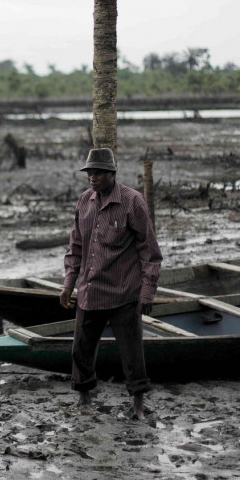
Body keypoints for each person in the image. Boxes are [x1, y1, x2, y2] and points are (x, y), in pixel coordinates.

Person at [59, 148, 162, 419]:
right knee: (80, 349)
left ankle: (138, 406)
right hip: (90, 289)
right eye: (90, 172)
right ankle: (84, 399)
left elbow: (149, 251)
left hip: (123, 292)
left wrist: (148, 292)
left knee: (131, 353)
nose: (92, 177)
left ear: (112, 174)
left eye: (99, 172)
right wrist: (69, 283)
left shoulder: (132, 202)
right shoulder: (84, 202)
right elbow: (75, 246)